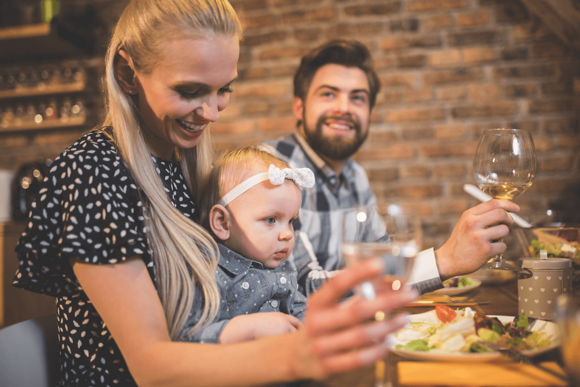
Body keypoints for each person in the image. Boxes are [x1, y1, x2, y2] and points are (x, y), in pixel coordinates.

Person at [11, 2, 417, 386]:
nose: (211, 112)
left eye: (224, 89)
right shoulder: (92, 170)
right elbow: (152, 368)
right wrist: (294, 354)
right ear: (128, 74)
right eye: (190, 91)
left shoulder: (187, 163)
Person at [261, 39, 520, 296]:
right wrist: (444, 260)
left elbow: (381, 263)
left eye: (358, 98)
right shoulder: (272, 169)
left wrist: (431, 268)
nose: (344, 108)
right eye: (329, 94)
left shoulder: (355, 175)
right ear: (299, 106)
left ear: (369, 114)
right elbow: (299, 288)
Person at [185, 147, 314, 343]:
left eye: (291, 221)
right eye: (271, 220)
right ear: (222, 223)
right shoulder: (209, 275)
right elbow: (188, 337)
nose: (288, 233)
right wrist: (248, 328)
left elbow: (298, 307)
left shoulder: (281, 268)